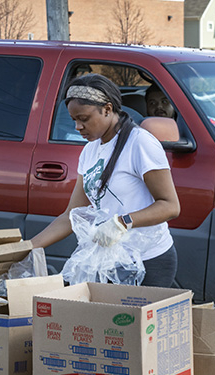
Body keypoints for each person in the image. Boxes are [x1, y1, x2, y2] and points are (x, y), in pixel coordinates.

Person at [30, 74, 181, 287]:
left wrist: (122, 222)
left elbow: (170, 206)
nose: (77, 127)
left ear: (108, 109)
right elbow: (70, 216)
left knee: (131, 320)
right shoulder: (90, 151)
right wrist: (29, 246)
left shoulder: (140, 143)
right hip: (111, 260)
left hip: (148, 260)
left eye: (84, 119)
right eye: (74, 120)